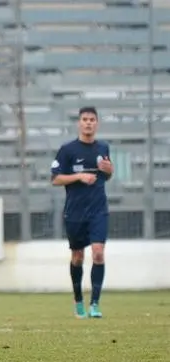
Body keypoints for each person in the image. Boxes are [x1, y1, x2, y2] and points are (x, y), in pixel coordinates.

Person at [51, 106, 113, 319]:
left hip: (98, 210)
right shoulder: (67, 150)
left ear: (97, 123)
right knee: (77, 257)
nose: (88, 123)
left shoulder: (103, 147)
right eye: (85, 119)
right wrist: (79, 177)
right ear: (79, 122)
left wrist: (110, 170)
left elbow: (107, 175)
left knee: (98, 253)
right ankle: (78, 299)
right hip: (75, 212)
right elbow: (55, 179)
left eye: (92, 119)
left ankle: (95, 304)